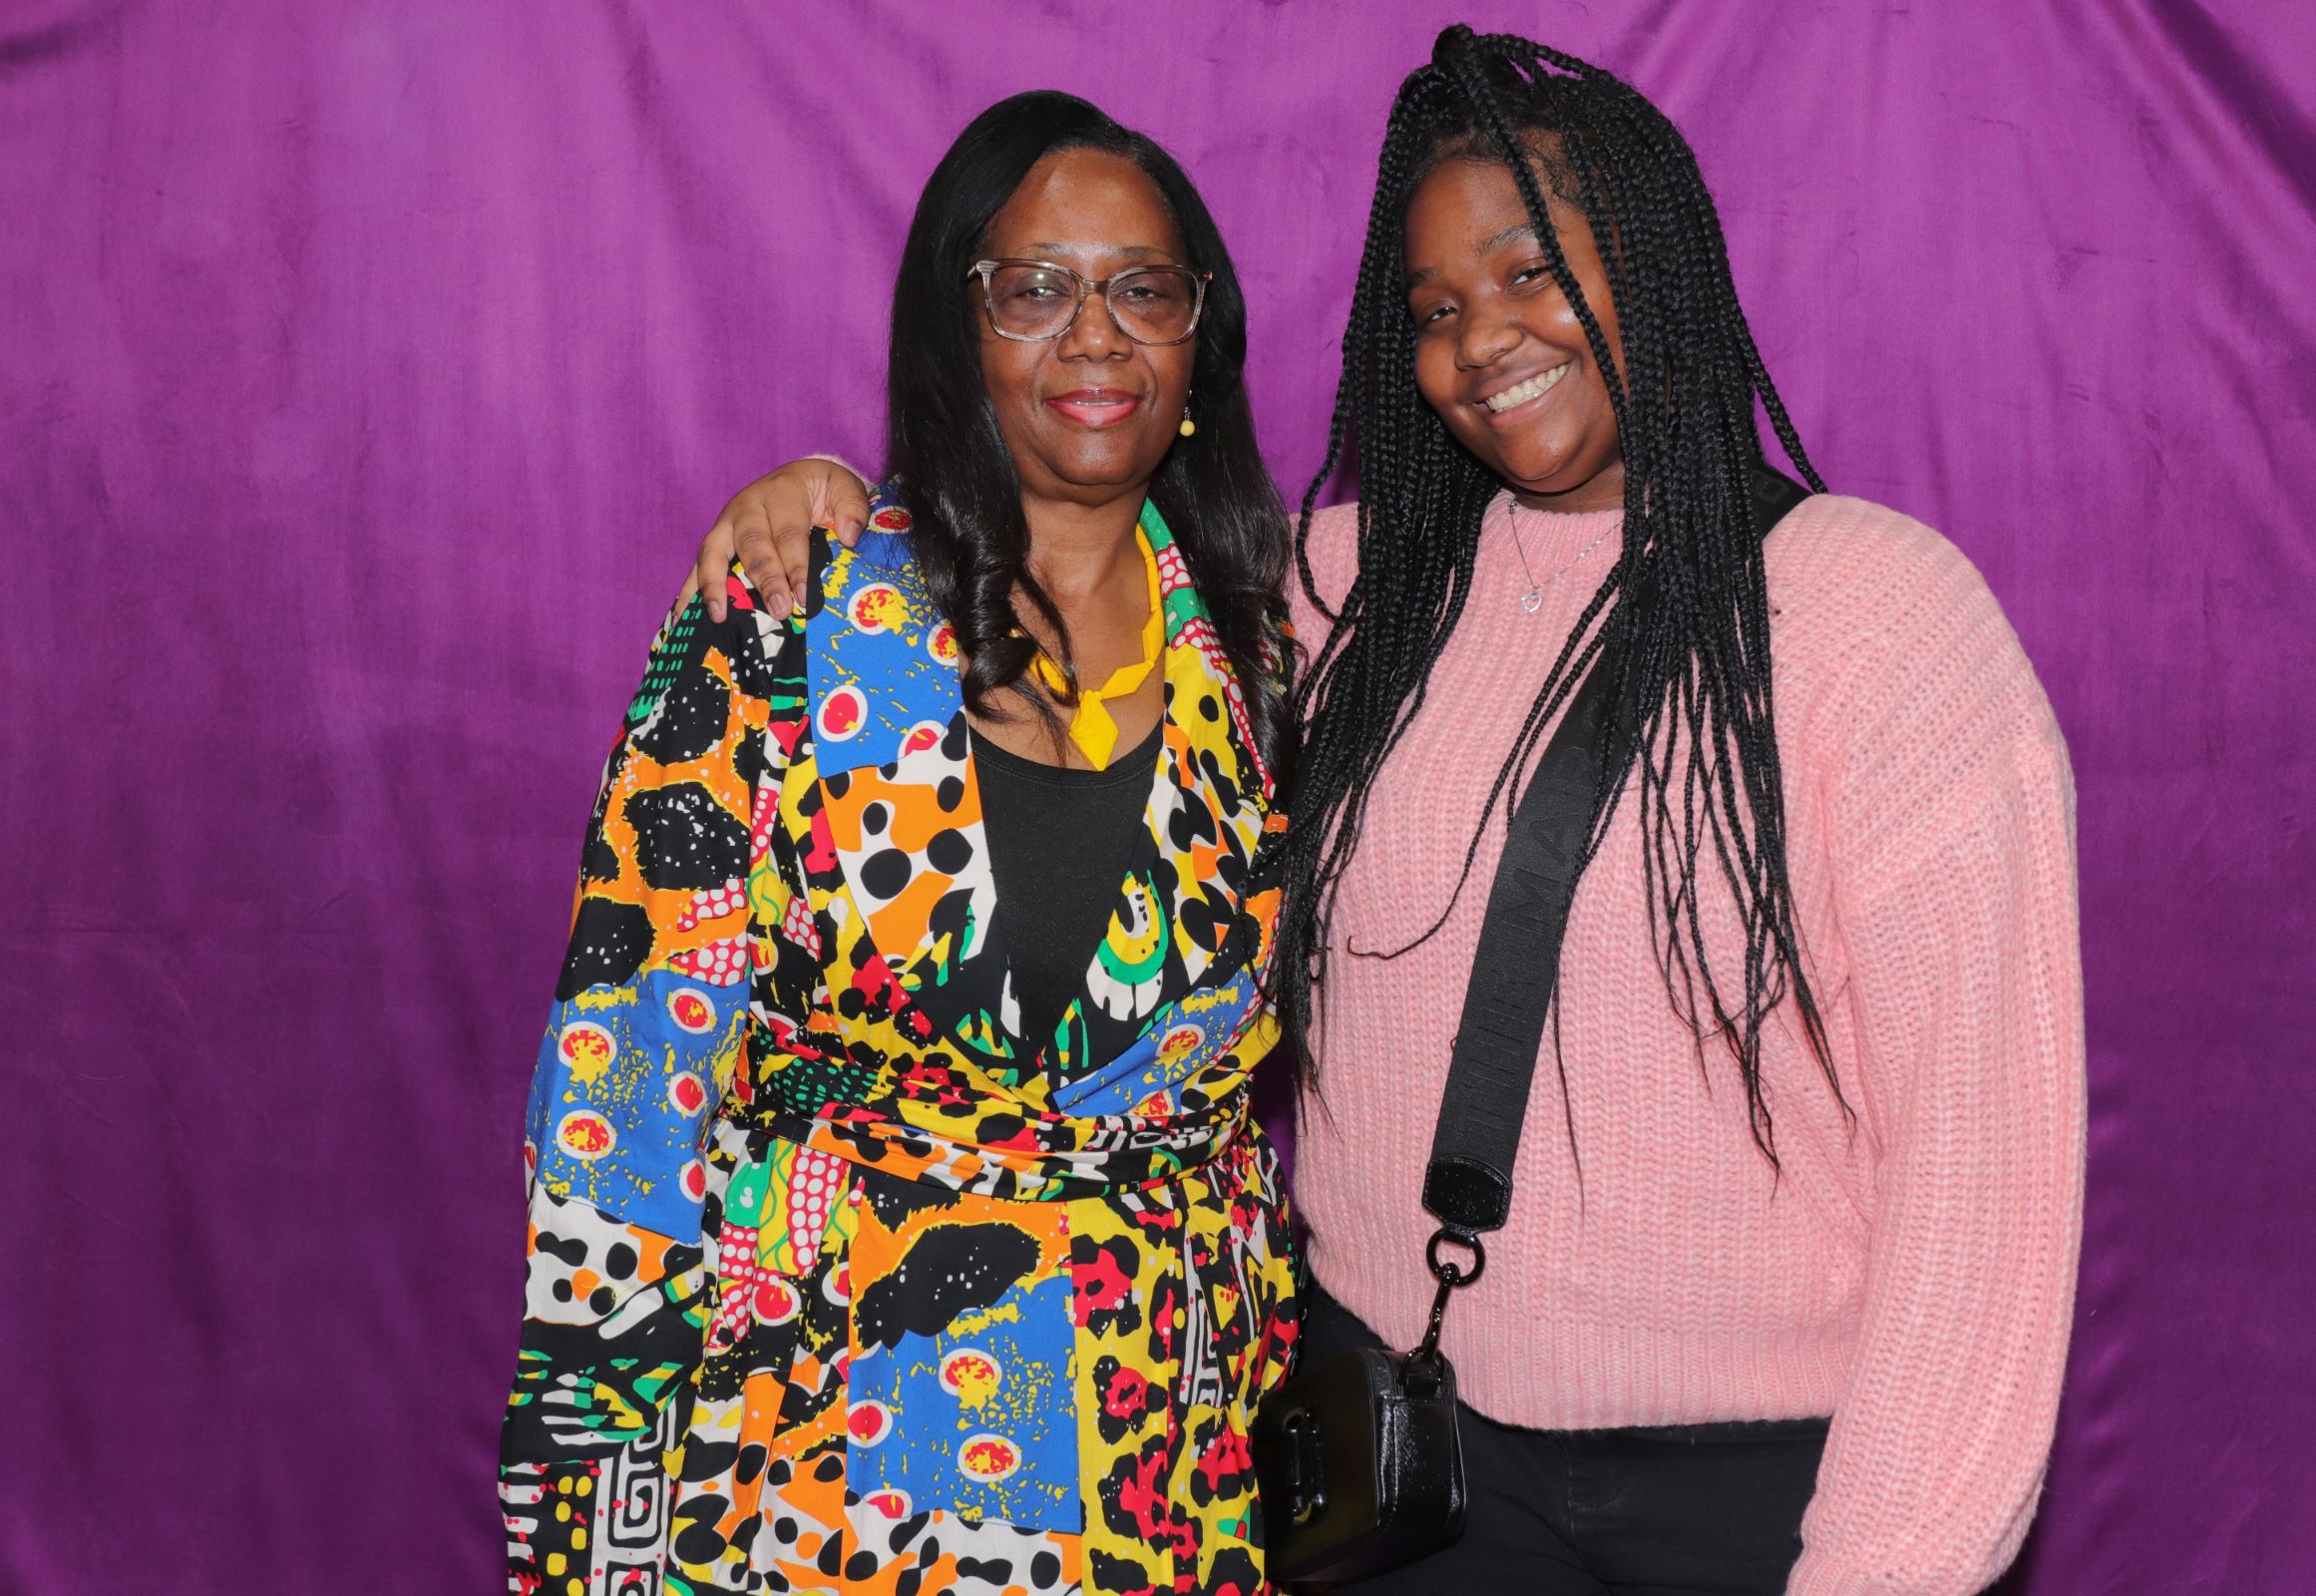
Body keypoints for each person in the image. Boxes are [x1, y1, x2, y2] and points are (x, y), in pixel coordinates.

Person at [686, 26, 2085, 1596]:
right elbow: (1058, 544)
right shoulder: (1333, 599)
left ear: (1657, 268)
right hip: (1400, 1474)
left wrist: (1891, 1565)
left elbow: (1983, 1189)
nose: (1485, 339)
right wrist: (830, 501)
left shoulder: (1881, 621)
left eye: (1532, 271)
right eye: (1433, 310)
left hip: (1757, 1501)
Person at [503, 91, 1304, 1596]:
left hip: (1155, 1467)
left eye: (1143, 289)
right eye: (1035, 288)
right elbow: (623, 1093)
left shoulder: (1271, 659)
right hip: (810, 1460)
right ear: (958, 328)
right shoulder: (787, 616)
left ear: (1200, 340)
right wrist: (594, 1514)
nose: (1095, 336)